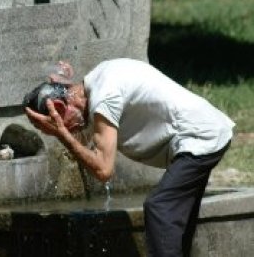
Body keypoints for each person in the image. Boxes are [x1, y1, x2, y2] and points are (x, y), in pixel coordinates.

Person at [23, 58, 235, 257]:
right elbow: (86, 139)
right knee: (177, 224)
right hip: (202, 132)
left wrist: (62, 134)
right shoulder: (95, 82)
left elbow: (103, 171)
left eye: (51, 125)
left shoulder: (104, 97)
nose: (67, 129)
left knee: (159, 208)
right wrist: (65, 96)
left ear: (60, 108)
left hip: (200, 137)